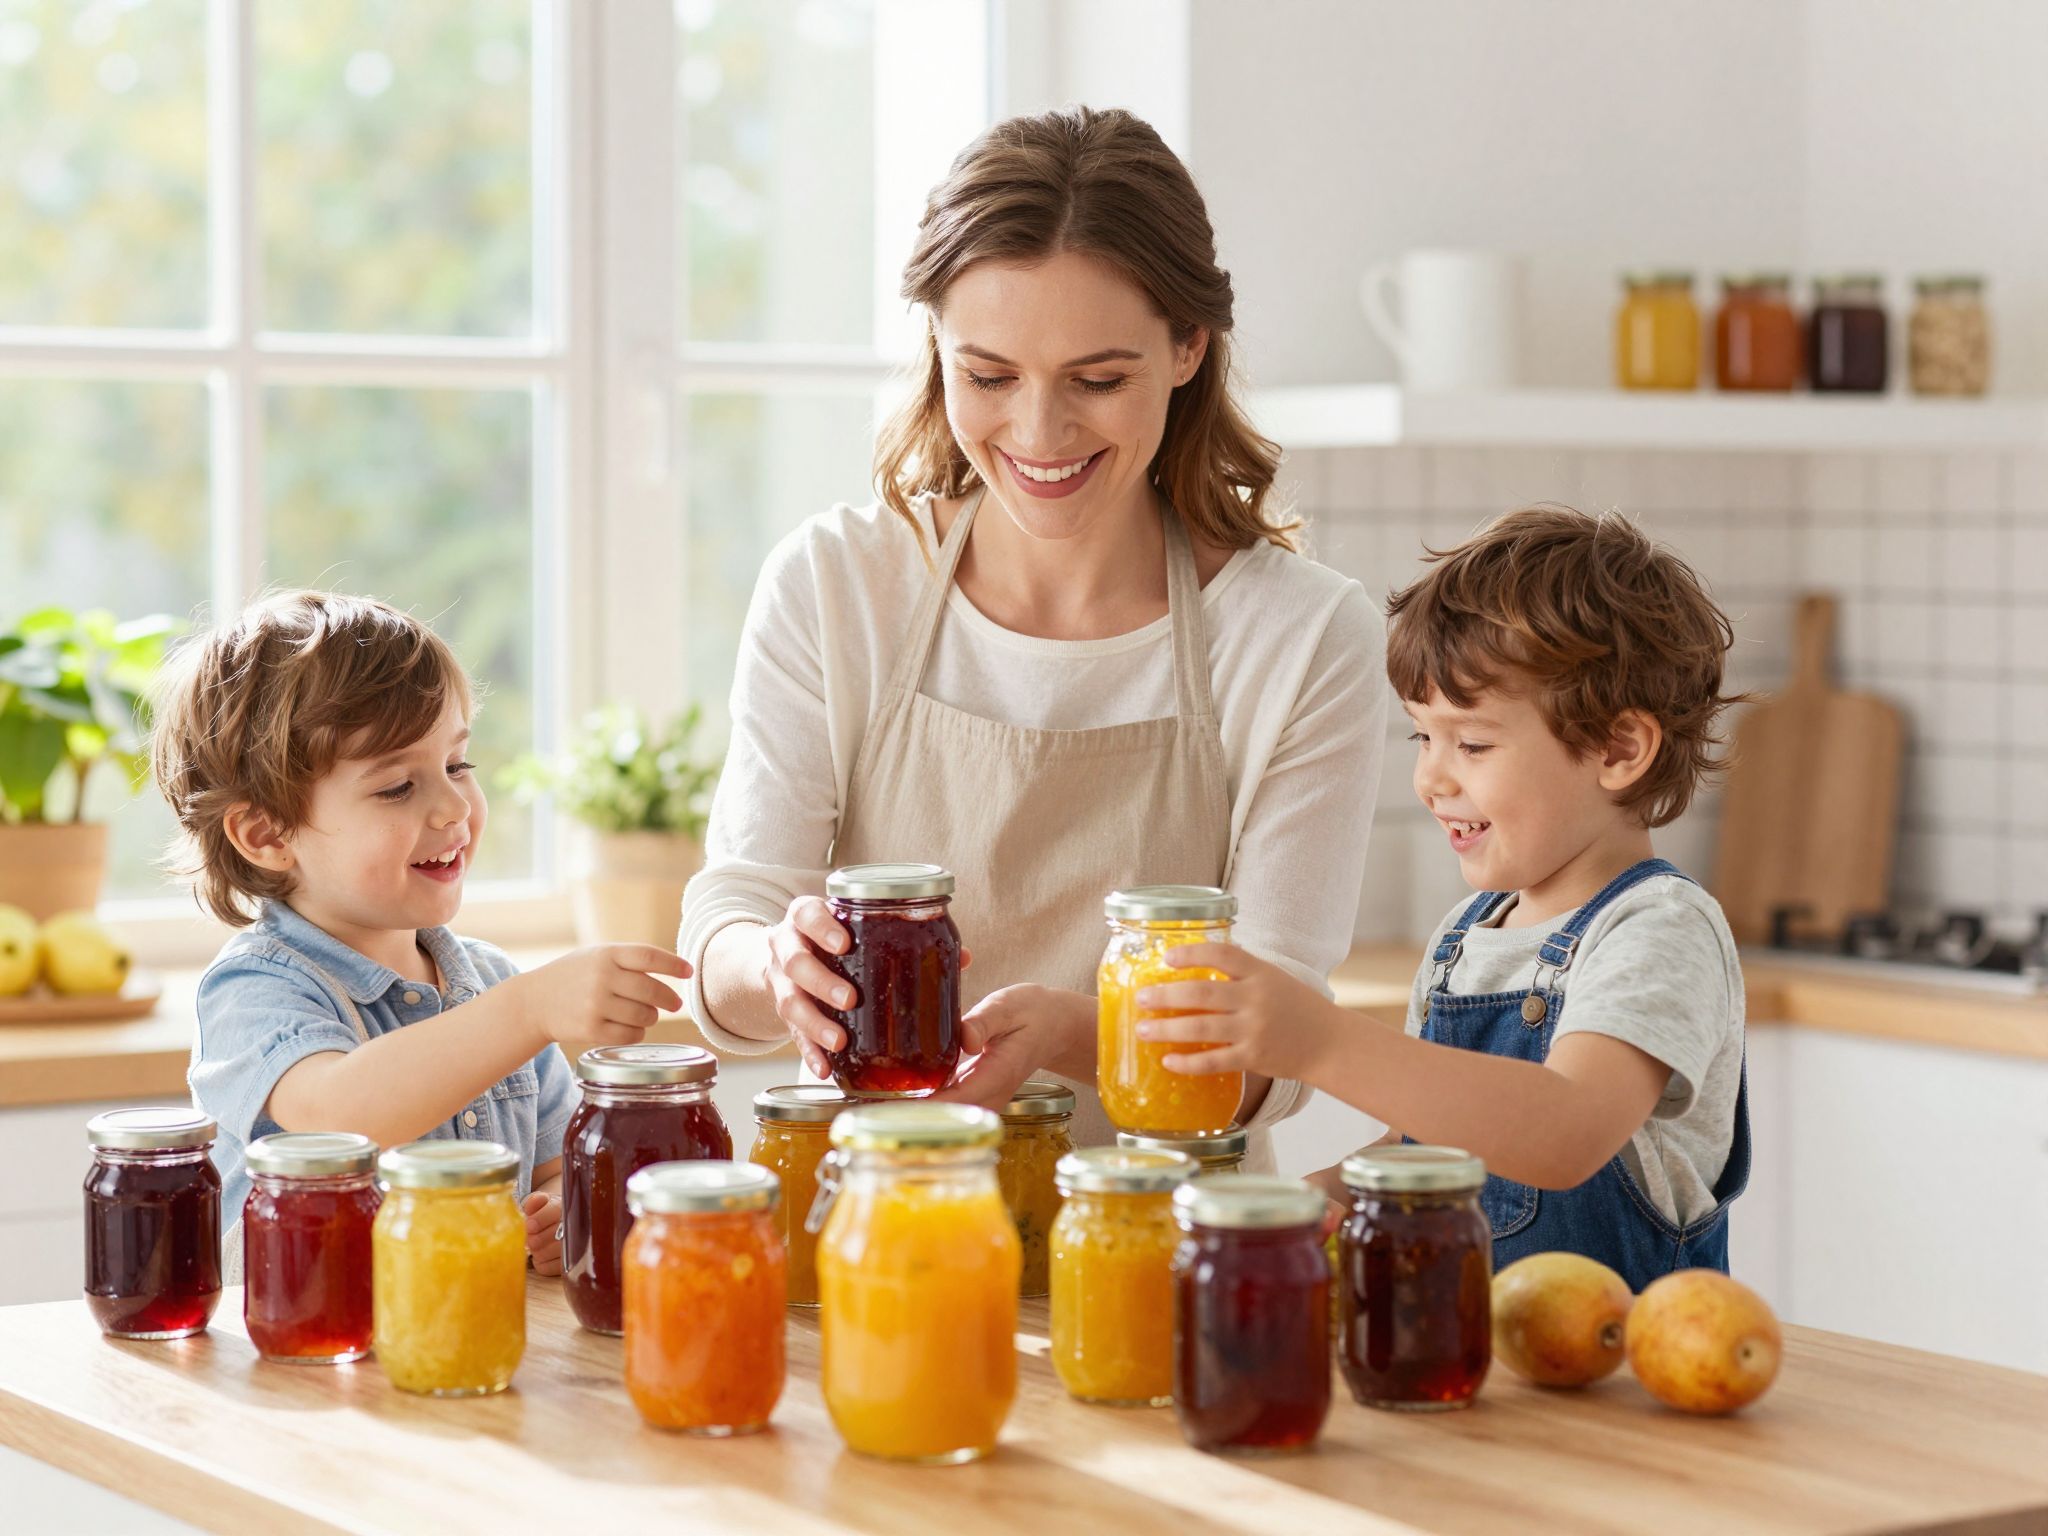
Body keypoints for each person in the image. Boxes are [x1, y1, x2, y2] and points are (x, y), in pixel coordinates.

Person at [676, 107, 1387, 1167]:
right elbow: (730, 923)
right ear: (935, 349)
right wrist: (771, 962)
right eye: (988, 376)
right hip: (885, 1227)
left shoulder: (1301, 636)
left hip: (1166, 1251)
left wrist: (1085, 1040)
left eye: (1097, 380)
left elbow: (1274, 1036)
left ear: (1188, 345)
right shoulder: (836, 584)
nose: (1039, 433)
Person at [1134, 506, 1750, 1286]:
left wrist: (1321, 1042)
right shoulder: (1469, 935)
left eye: (1474, 743)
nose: (1431, 777)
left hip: (1614, 1383)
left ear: (1619, 749)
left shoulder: (1657, 928)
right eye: (1423, 737)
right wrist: (1290, 1209)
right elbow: (1419, 1151)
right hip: (1468, 1369)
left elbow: (1565, 1131)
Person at [154, 590, 690, 1264]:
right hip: (302, 1357)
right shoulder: (253, 990)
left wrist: (559, 1212)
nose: (452, 809)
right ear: (266, 833)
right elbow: (343, 1115)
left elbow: (555, 1163)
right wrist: (526, 1010)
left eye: (457, 765)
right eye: (397, 787)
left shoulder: (492, 983)